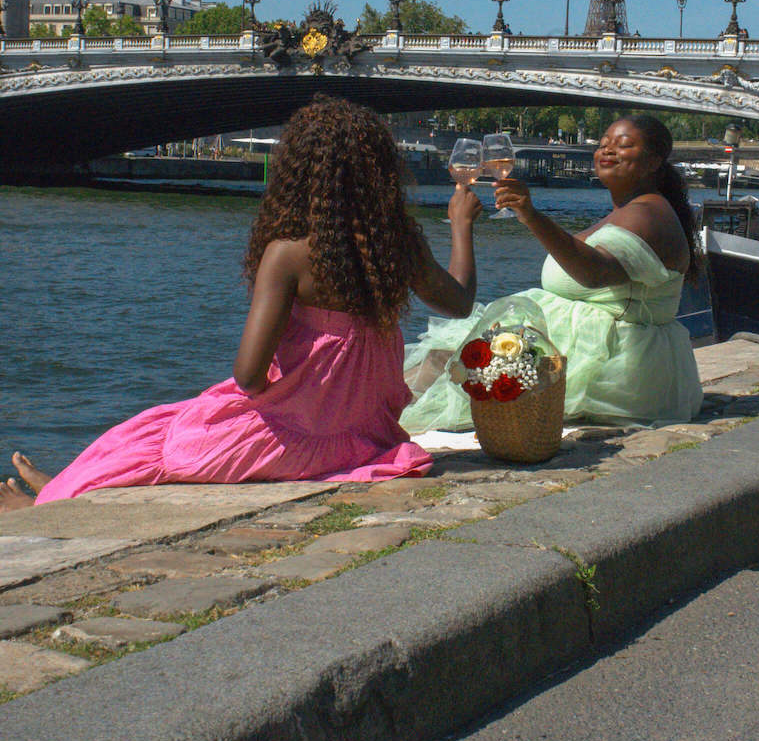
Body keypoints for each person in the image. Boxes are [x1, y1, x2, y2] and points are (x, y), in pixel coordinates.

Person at [3, 98, 482, 510]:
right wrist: (460, 225)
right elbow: (459, 303)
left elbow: (250, 377)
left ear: (298, 172)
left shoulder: (289, 255)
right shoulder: (397, 246)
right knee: (165, 429)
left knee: (163, 431)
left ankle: (53, 501)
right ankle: (61, 492)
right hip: (364, 438)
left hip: (297, 437)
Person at [402, 115, 703, 431]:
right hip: (595, 357)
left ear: (655, 161)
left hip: (613, 369)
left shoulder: (649, 214)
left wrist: (531, 216)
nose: (608, 151)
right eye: (603, 144)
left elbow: (595, 273)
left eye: (623, 145)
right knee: (440, 362)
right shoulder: (630, 210)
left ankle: (363, 424)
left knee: (442, 367)